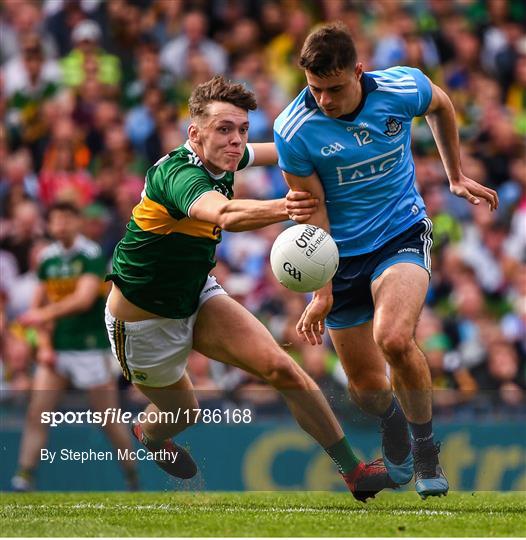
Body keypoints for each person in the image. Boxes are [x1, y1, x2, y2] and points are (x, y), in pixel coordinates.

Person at [104, 75, 397, 502]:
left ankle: (354, 471)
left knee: (281, 368)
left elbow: (290, 149)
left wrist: (347, 145)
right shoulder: (177, 175)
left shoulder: (226, 157)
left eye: (242, 130)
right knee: (183, 411)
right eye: (224, 129)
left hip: (197, 295)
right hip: (143, 324)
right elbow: (223, 213)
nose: (237, 140)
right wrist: (286, 206)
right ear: (195, 134)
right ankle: (149, 436)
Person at [273, 22, 498, 499]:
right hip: (338, 254)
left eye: (334, 88)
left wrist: (455, 175)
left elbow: (441, 104)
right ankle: (394, 423)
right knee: (367, 389)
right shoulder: (294, 129)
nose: (325, 100)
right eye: (315, 90)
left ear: (358, 71)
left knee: (394, 338)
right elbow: (312, 213)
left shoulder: (401, 86)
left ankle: (425, 451)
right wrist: (323, 290)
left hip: (400, 232)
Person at [11, 202, 138, 491]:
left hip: (90, 347)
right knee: (38, 412)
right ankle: (25, 474)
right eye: (56, 220)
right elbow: (37, 304)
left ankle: (131, 472)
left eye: (67, 219)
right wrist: (44, 346)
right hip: (58, 348)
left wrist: (41, 316)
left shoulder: (91, 254)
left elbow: (83, 299)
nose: (61, 225)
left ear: (77, 222)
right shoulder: (47, 259)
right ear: (50, 224)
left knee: (107, 419)